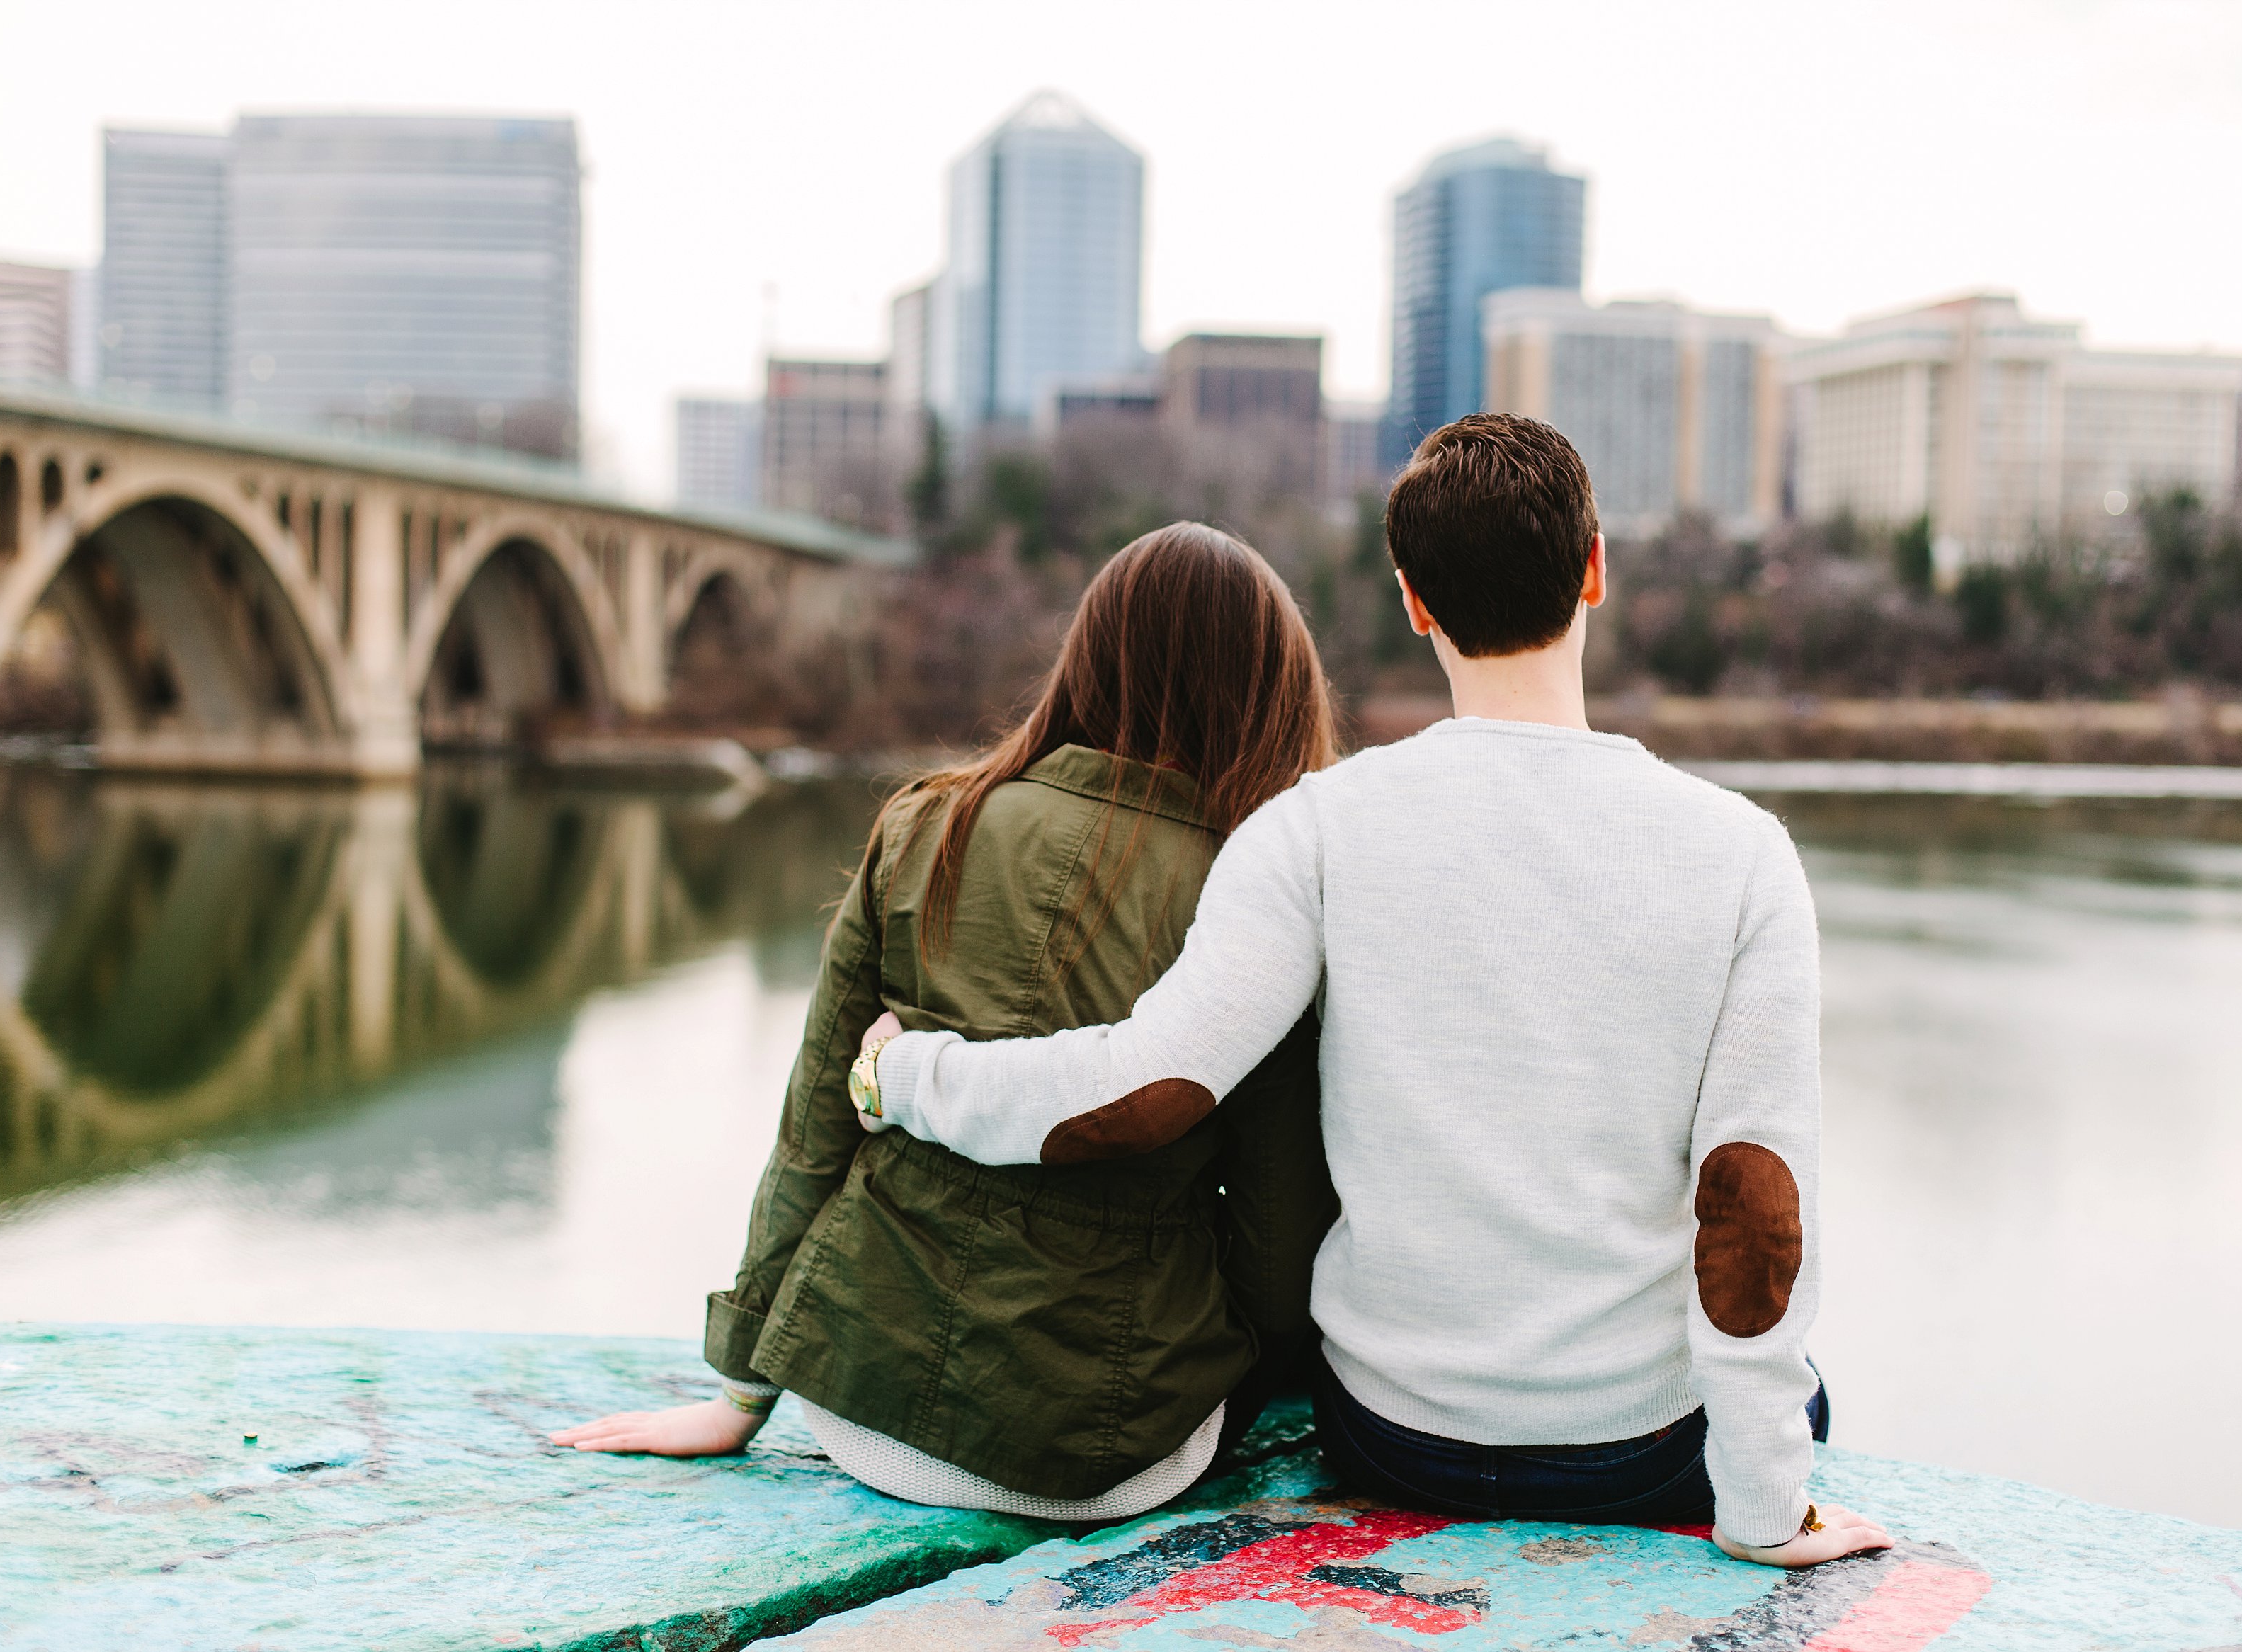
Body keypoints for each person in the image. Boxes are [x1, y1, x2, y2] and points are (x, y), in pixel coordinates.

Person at [851, 415, 1894, 1566]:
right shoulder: (1741, 854)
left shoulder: (1315, 827)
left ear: (1415, 599)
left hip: (1395, 1434)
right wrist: (1761, 1513)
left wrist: (908, 1074)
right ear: (1596, 567)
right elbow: (1753, 1207)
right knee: (1808, 1398)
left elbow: (1142, 1087)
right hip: (1633, 1451)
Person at [552, 523, 1339, 1522]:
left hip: (860, 1405)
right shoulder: (1253, 893)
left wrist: (741, 1393)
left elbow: (815, 1126)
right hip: (1111, 1451)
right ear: (1272, 694)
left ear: (1087, 658)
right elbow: (1279, 1233)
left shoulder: (929, 821)